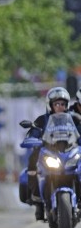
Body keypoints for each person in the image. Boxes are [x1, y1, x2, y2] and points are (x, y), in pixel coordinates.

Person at [26, 86, 80, 220]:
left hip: (69, 152)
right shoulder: (42, 119)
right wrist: (32, 138)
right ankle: (37, 197)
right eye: (56, 104)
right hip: (49, 152)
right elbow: (34, 131)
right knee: (33, 158)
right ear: (50, 105)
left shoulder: (74, 119)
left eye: (62, 104)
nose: (60, 107)